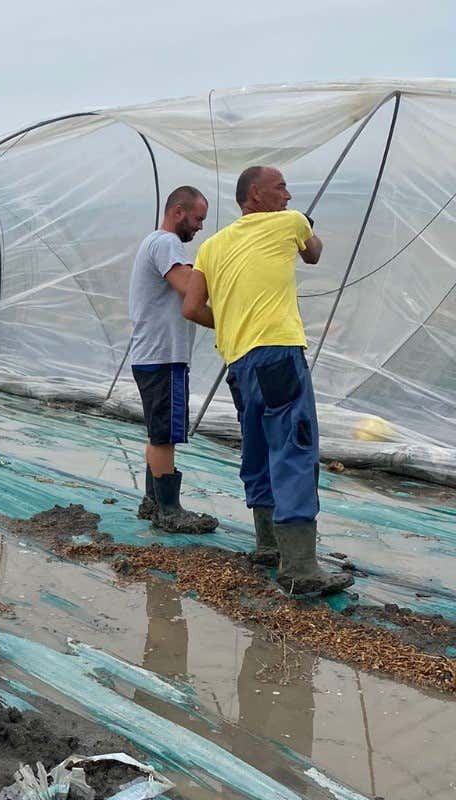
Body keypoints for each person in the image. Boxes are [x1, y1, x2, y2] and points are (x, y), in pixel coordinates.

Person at [181, 166, 353, 595]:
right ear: (254, 194)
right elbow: (313, 253)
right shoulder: (288, 223)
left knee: (257, 445)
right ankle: (300, 568)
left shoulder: (212, 246)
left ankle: (268, 544)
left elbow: (191, 307)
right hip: (278, 353)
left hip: (239, 364)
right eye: (281, 188)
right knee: (294, 448)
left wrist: (231, 325)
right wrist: (307, 228)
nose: (289, 195)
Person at [128, 186, 218, 534]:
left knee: (157, 430)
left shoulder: (153, 243)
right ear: (178, 211)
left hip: (151, 354)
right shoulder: (166, 244)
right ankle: (169, 510)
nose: (199, 227)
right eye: (197, 219)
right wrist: (221, 266)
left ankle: (153, 502)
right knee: (164, 433)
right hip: (164, 355)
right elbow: (187, 287)